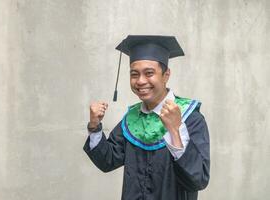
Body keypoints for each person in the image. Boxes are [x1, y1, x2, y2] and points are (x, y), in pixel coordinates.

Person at [83, 35, 210, 200]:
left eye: (149, 73)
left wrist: (175, 130)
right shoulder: (132, 119)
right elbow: (108, 161)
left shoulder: (190, 118)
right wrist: (94, 126)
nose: (140, 81)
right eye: (134, 74)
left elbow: (198, 180)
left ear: (166, 75)